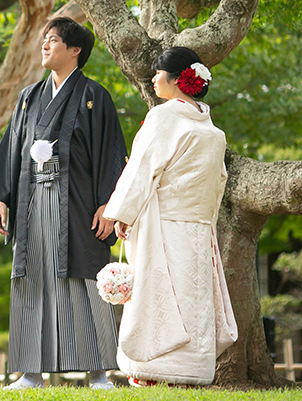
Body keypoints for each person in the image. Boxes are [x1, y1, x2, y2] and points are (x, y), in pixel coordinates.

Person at [0, 17, 127, 390]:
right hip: (31, 202)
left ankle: (98, 373)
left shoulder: (95, 95)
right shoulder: (29, 97)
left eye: (54, 40)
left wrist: (109, 204)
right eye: (44, 40)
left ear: (75, 50)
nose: (45, 46)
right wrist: (1, 199)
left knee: (84, 276)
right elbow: (13, 149)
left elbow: (112, 152)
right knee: (32, 278)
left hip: (77, 204)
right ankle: (30, 373)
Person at [101, 46, 238, 387]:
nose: (152, 78)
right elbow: (217, 181)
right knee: (192, 297)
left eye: (158, 72)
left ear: (177, 79)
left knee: (158, 292)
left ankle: (153, 371)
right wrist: (204, 219)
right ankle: (191, 371)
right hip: (198, 226)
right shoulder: (213, 132)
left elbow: (143, 167)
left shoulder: (163, 116)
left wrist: (123, 213)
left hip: (163, 222)